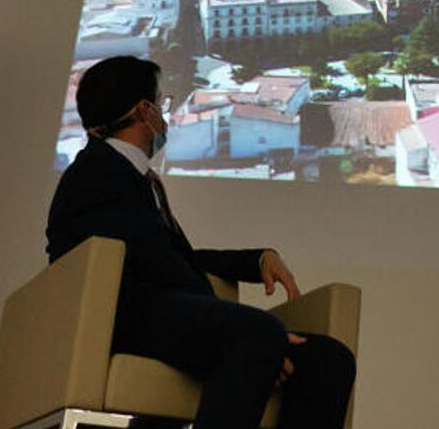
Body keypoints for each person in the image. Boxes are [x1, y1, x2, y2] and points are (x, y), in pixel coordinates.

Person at [46, 56, 355, 429]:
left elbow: (171, 255)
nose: (165, 113)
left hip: (158, 313)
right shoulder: (95, 173)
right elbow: (150, 263)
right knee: (259, 333)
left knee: (329, 358)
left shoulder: (130, 175)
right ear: (144, 111)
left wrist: (254, 261)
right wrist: (249, 331)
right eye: (162, 103)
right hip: (122, 316)